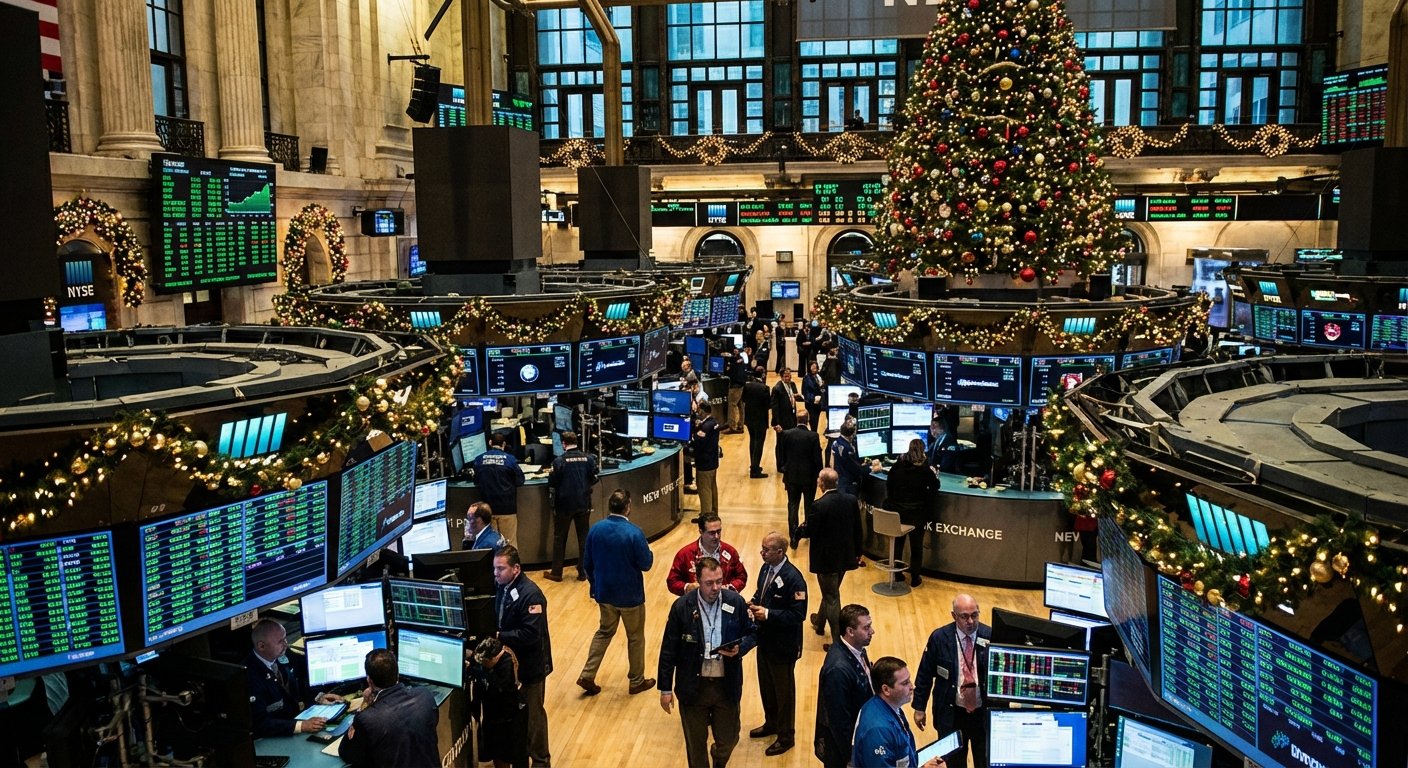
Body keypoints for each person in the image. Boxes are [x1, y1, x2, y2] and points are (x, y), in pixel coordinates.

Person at [658, 557, 757, 768]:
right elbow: (668, 650)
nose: (716, 588)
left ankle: (719, 759)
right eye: (709, 583)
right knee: (695, 746)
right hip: (693, 687)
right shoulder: (682, 607)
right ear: (697, 580)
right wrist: (665, 689)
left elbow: (753, 633)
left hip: (726, 685)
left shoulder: (735, 602)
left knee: (729, 739)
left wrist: (741, 648)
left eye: (719, 581)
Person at [578, 489, 656, 696]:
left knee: (604, 632)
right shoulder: (634, 533)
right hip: (630, 597)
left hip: (604, 594)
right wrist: (650, 553)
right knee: (635, 637)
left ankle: (587, 674)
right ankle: (636, 681)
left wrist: (594, 586)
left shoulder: (596, 529)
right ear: (628, 507)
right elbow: (646, 564)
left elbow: (587, 564)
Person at [912, 594, 992, 768]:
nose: (970, 621)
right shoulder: (939, 638)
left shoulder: (991, 636)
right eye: (964, 616)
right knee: (954, 762)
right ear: (953, 616)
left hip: (983, 714)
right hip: (951, 713)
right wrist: (919, 707)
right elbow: (925, 673)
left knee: (985, 760)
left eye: (975, 615)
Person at [746, 532, 808, 756]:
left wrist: (768, 614)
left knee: (784, 693)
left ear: (780, 552)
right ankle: (771, 723)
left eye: (766, 550)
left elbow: (798, 615)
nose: (761, 553)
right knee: (767, 687)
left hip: (783, 646)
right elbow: (761, 593)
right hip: (765, 640)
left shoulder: (794, 579)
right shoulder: (766, 568)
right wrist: (753, 603)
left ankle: (786, 736)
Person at [493, 545, 552, 767]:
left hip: (531, 667)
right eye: (495, 568)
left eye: (501, 569)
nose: (496, 573)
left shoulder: (532, 595)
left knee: (533, 718)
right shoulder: (502, 587)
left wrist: (499, 636)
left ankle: (540, 761)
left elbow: (531, 634)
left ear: (516, 568)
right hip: (510, 665)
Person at [337, 648, 439, 767]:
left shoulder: (367, 719)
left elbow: (347, 754)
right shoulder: (425, 695)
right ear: (397, 673)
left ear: (369, 681)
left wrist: (364, 706)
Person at [245, 619, 343, 737]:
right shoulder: (249, 676)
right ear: (261, 646)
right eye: (280, 641)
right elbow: (260, 724)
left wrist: (318, 697)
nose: (286, 644)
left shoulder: (283, 654)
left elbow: (302, 678)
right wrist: (301, 726)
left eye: (285, 638)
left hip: (298, 717)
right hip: (276, 734)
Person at [799, 469, 863, 643]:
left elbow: (810, 531)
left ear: (821, 484)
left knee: (832, 597)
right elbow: (858, 528)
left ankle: (838, 642)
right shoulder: (851, 500)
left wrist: (800, 530)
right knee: (830, 592)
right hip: (846, 556)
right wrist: (858, 552)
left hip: (826, 560)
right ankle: (820, 622)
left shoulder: (818, 505)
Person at [852, 657, 946, 768]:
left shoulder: (890, 705)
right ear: (886, 689)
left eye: (909, 680)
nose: (912, 687)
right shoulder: (878, 731)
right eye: (905, 683)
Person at [814, 605, 876, 768]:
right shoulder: (838, 670)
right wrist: (850, 757)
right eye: (867, 628)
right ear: (850, 631)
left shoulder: (856, 648)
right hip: (843, 751)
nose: (872, 631)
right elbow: (839, 722)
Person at [884, 440, 938, 587]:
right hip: (917, 515)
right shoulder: (925, 471)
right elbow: (935, 486)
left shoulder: (897, 467)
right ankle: (915, 578)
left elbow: (889, 486)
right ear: (923, 451)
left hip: (897, 514)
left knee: (898, 544)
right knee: (916, 547)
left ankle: (897, 574)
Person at [469, 636, 528, 768]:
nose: (482, 665)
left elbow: (498, 686)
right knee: (497, 754)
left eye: (484, 662)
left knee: (517, 754)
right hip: (493, 715)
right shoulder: (487, 663)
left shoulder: (507, 662)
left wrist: (479, 673)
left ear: (494, 658)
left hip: (511, 716)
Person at [547, 430, 598, 582]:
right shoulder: (589, 459)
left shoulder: (559, 461)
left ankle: (557, 573)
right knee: (583, 538)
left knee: (560, 538)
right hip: (583, 503)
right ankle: (583, 572)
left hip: (564, 505)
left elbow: (552, 482)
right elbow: (594, 478)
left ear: (564, 444)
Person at [667, 512, 748, 595]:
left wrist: (729, 589)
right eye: (712, 533)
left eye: (719, 531)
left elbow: (742, 577)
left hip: (724, 600)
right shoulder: (685, 554)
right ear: (701, 531)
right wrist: (688, 587)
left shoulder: (730, 552)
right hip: (695, 600)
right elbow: (672, 582)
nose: (716, 536)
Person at [777, 409, 822, 548]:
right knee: (809, 506)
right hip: (809, 478)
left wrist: (784, 469)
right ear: (807, 420)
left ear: (796, 420)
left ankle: (793, 536)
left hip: (791, 477)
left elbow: (781, 455)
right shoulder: (813, 436)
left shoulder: (786, 434)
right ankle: (807, 531)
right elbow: (817, 459)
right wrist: (819, 476)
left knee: (793, 505)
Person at [475, 430, 526, 543]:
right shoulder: (510, 459)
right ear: (504, 444)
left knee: (490, 545)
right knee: (509, 545)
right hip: (507, 509)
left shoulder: (479, 460)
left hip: (487, 511)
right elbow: (520, 481)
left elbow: (476, 481)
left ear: (490, 442)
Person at [692, 401, 722, 518]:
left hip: (704, 463)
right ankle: (713, 513)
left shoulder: (705, 427)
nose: (697, 412)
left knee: (704, 490)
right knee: (712, 488)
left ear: (703, 411)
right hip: (713, 461)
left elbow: (698, 442)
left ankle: (706, 517)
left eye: (699, 409)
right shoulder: (714, 422)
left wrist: (694, 433)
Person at [741, 365, 772, 479]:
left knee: (752, 441)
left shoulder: (747, 386)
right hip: (760, 420)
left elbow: (743, 399)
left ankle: (753, 465)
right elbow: (768, 405)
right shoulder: (765, 388)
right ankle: (755, 469)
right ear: (763, 375)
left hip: (749, 418)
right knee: (759, 443)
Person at [830, 421, 871, 497]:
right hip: (849, 484)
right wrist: (871, 468)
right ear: (851, 435)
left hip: (839, 481)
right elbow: (856, 470)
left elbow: (831, 463)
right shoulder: (848, 448)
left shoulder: (835, 443)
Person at [726, 344, 749, 433]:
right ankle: (740, 425)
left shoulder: (733, 360)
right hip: (742, 384)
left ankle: (732, 427)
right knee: (740, 404)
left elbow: (730, 371)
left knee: (732, 404)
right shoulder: (741, 358)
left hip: (736, 385)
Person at [802, 361, 826, 432]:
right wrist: (814, 398)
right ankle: (813, 434)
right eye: (813, 367)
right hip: (811, 404)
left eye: (815, 367)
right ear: (809, 368)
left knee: (816, 421)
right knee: (813, 422)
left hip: (818, 404)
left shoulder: (818, 376)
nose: (814, 369)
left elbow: (821, 388)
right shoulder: (806, 378)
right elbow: (805, 392)